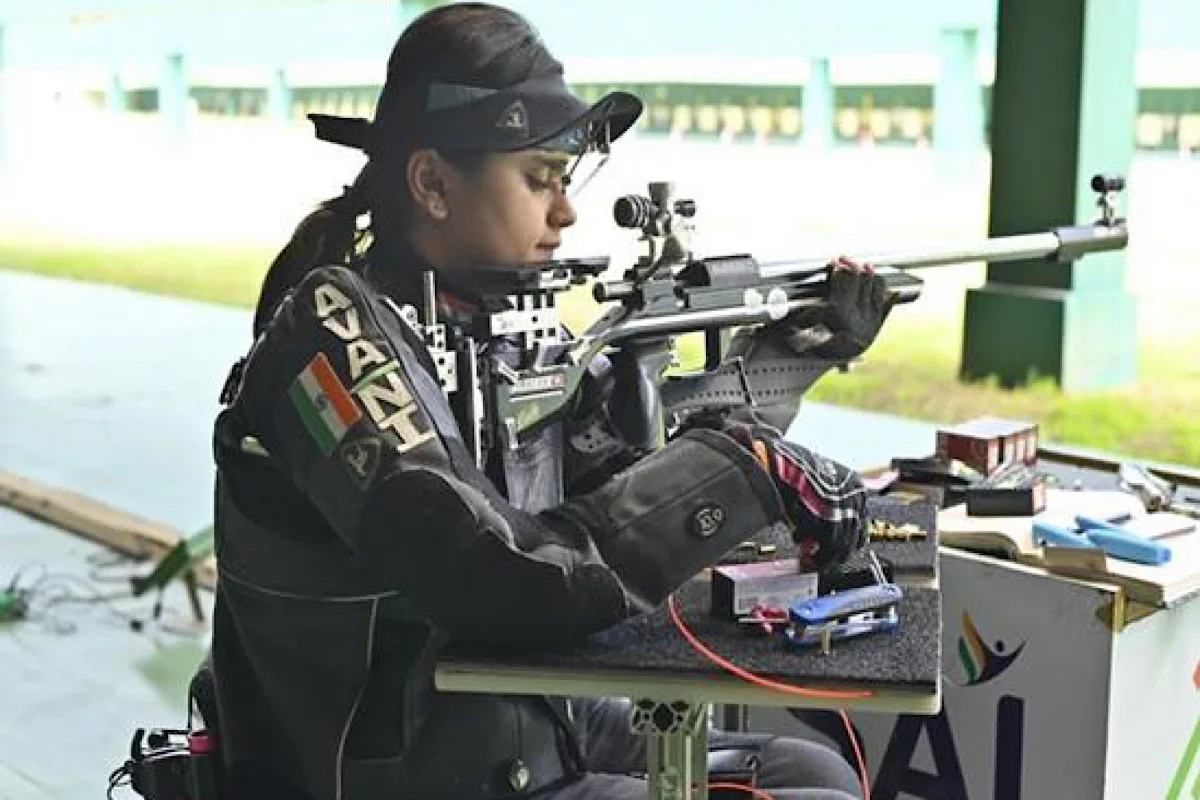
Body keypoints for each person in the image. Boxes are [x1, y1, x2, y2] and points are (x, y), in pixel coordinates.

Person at [208, 4, 893, 799]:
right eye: (538, 179)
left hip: (525, 718)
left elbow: (628, 477)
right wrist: (744, 469)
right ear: (431, 183)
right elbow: (492, 576)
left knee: (812, 770)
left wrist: (788, 359)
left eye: (565, 180)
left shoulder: (478, 321)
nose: (565, 211)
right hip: (415, 763)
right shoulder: (327, 340)